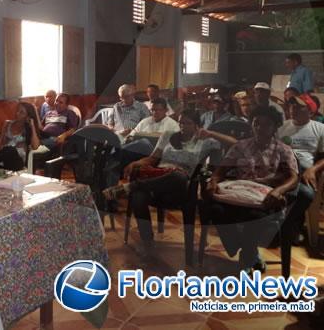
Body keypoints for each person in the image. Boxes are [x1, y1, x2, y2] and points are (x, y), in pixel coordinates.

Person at [104, 110, 223, 255]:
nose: (183, 126)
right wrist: (137, 162)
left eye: (188, 123)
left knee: (178, 176)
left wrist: (211, 134)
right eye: (181, 122)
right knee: (138, 196)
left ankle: (131, 186)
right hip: (158, 180)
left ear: (197, 125)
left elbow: (233, 144)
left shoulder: (205, 142)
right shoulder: (168, 136)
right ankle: (147, 241)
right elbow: (153, 158)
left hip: (183, 187)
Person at [204, 106, 298, 273]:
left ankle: (247, 256)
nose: (260, 128)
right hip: (239, 193)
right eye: (256, 124)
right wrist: (213, 181)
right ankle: (245, 249)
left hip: (264, 197)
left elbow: (293, 177)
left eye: (266, 125)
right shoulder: (241, 146)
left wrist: (278, 191)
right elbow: (220, 171)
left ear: (275, 127)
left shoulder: (283, 150)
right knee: (213, 208)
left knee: (254, 217)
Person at [277, 95, 321, 243]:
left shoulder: (319, 128)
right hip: (282, 169)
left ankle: (286, 227)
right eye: (291, 105)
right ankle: (287, 228)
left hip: (303, 171)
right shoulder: (282, 127)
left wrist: (313, 169)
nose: (293, 108)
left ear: (310, 111)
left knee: (306, 194)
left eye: (298, 106)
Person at [0, 102, 40, 171]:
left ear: (28, 116)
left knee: (11, 150)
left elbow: (35, 146)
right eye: (17, 110)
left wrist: (32, 126)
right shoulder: (6, 124)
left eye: (21, 112)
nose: (17, 113)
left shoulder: (27, 129)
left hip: (18, 163)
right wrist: (4, 144)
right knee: (9, 149)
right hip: (4, 160)